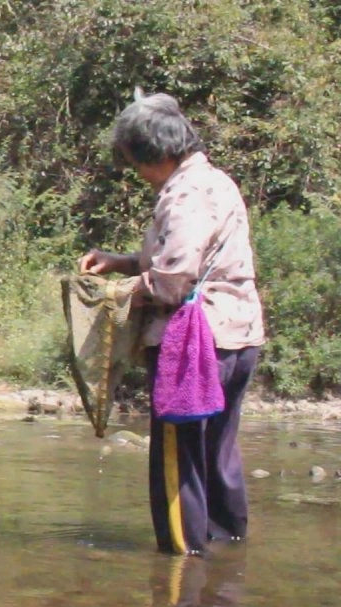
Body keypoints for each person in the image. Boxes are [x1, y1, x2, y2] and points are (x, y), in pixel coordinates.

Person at [78, 91, 264, 557]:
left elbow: (173, 280)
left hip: (194, 346)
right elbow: (197, 261)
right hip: (238, 336)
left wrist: (122, 292)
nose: (138, 174)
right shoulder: (218, 181)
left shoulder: (183, 193)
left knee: (178, 463)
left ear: (158, 153)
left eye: (136, 163)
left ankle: (183, 569)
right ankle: (228, 559)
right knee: (218, 453)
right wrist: (120, 262)